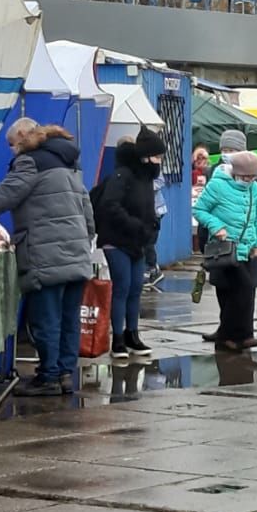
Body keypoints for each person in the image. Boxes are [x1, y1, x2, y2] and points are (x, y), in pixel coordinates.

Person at [0, 120, 95, 397]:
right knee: (69, 317)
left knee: (45, 318)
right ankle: (64, 374)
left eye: (11, 144)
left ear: (23, 136)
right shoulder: (69, 160)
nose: (11, 150)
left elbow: (7, 194)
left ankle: (48, 376)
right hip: (76, 250)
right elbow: (86, 205)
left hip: (45, 252)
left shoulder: (30, 162)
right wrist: (86, 237)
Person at [95, 128, 166, 360]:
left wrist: (151, 224)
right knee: (122, 288)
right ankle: (117, 339)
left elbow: (146, 206)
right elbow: (110, 205)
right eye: (157, 156)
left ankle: (132, 334)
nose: (159, 161)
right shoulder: (122, 176)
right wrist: (136, 225)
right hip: (116, 240)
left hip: (138, 242)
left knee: (136, 288)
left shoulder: (146, 178)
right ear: (145, 156)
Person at [193, 150, 257, 351]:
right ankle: (226, 336)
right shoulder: (217, 185)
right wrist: (216, 227)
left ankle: (242, 335)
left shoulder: (254, 188)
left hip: (247, 248)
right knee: (239, 291)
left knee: (244, 293)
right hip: (226, 248)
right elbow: (199, 210)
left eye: (253, 177)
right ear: (235, 172)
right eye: (245, 177)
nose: (249, 181)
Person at [144, 170, 167, 289]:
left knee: (149, 242)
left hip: (155, 212)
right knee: (144, 242)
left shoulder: (154, 167)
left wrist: (143, 186)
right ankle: (151, 268)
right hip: (142, 212)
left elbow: (160, 182)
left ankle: (152, 269)